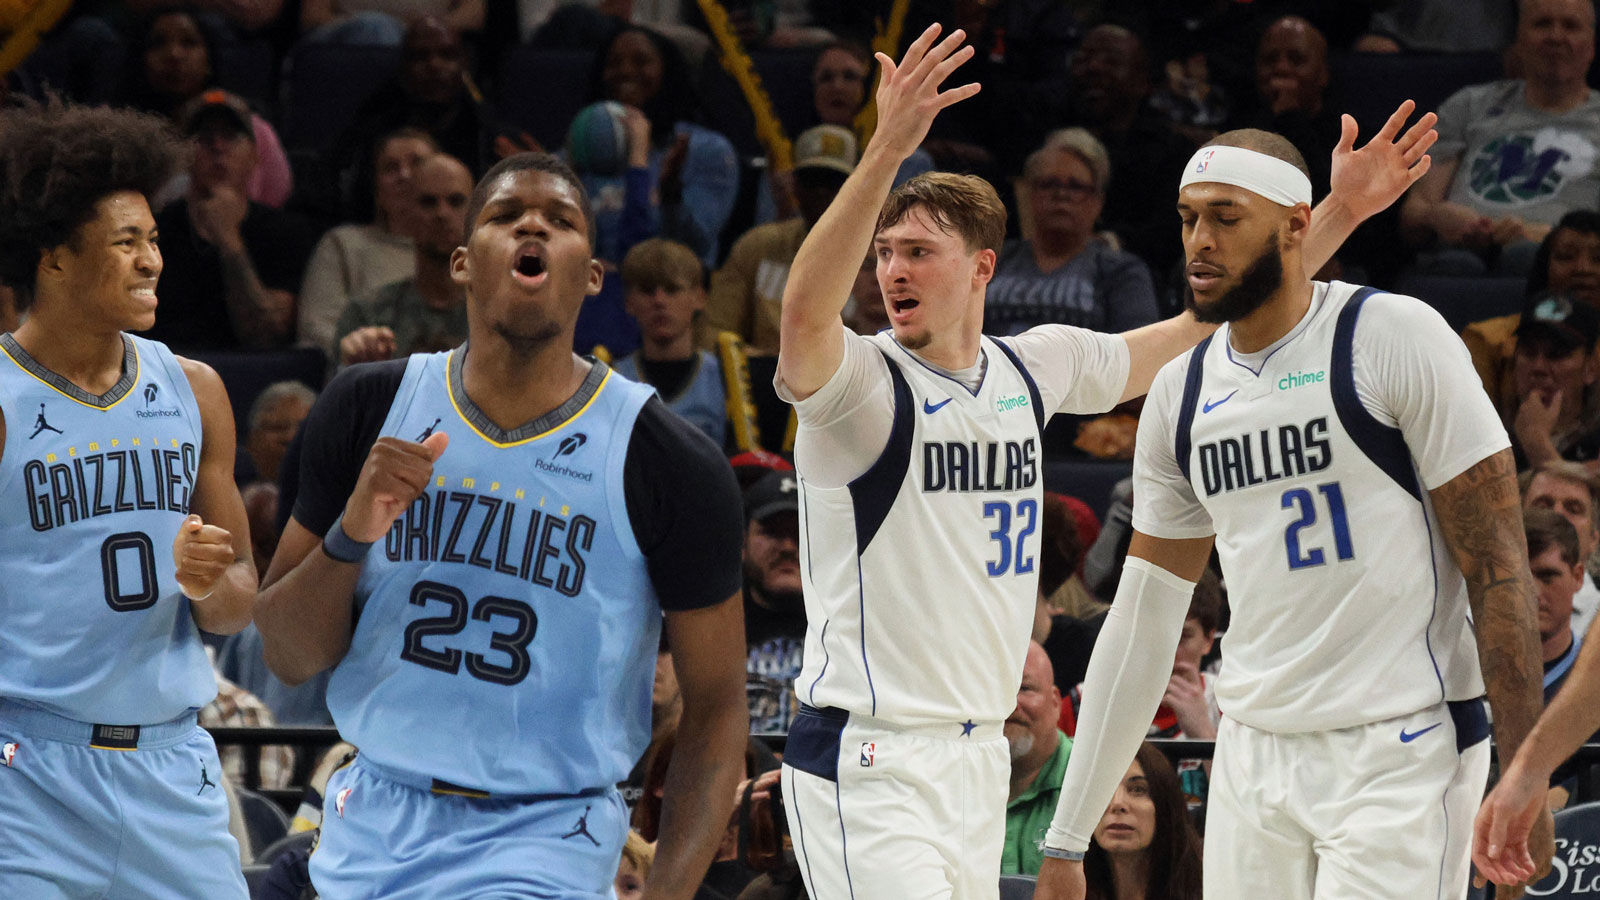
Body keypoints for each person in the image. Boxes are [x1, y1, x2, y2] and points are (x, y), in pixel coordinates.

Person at [774, 24, 1437, 900]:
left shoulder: (1031, 366)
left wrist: (1342, 211)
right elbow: (803, 319)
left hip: (978, 759)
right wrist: (887, 148)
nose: (893, 271)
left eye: (918, 253)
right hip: (870, 754)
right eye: (885, 254)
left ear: (981, 268)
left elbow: (1200, 330)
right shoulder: (860, 386)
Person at [1034, 128, 1552, 900]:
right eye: (1188, 218)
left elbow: (1499, 564)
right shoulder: (1179, 393)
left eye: (1226, 217)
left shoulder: (1391, 337)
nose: (1200, 241)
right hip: (1252, 751)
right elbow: (1142, 619)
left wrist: (1525, 775)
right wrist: (1067, 836)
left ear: (1296, 225)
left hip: (1401, 743)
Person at [250, 151, 749, 899]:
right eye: (506, 215)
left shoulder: (664, 458)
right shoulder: (367, 407)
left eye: (561, 220)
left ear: (592, 275)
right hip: (374, 820)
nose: (533, 227)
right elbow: (288, 655)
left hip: (549, 834)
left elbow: (717, 707)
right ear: (461, 262)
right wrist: (351, 533)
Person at [0, 100, 258, 898]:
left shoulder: (195, 390)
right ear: (54, 259)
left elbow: (238, 604)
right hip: (26, 773)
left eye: (153, 239)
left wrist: (208, 581)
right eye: (126, 242)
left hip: (171, 767)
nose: (152, 261)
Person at [1399, 0, 1600, 276]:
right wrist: (1435, 216)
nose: (1556, 36)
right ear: (1518, 41)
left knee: (1526, 257)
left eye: (1571, 26)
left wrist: (1552, 237)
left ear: (1592, 45)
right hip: (1458, 255)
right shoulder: (1468, 105)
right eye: (1542, 24)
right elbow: (1414, 212)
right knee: (1455, 265)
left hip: (1565, 268)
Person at [143, 89, 320, 351]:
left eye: (231, 136)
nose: (218, 147)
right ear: (184, 155)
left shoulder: (287, 231)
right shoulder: (154, 231)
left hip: (253, 371)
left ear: (254, 155)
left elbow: (267, 335)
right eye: (204, 138)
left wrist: (229, 241)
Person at [984, 128, 1160, 336]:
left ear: (1097, 201)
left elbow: (1139, 345)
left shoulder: (1122, 272)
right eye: (1049, 184)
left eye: (1075, 186)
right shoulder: (994, 260)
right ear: (1031, 194)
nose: (1061, 195)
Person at [708, 124, 858, 354]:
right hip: (762, 374)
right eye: (812, 180)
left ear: (858, 186)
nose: (821, 191)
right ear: (794, 185)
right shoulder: (758, 246)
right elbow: (713, 331)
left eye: (833, 181)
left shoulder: (883, 258)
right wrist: (762, 365)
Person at [298, 128, 438, 360]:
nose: (404, 175)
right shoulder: (343, 245)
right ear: (377, 190)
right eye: (390, 168)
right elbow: (317, 330)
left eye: (417, 164)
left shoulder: (464, 250)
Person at [335, 152, 475, 366]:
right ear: (407, 214)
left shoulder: (499, 314)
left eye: (456, 201)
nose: (442, 213)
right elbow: (336, 387)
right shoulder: (367, 316)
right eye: (428, 202)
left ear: (475, 213)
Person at [614, 237, 729, 447]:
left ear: (700, 298)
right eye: (647, 291)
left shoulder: (725, 378)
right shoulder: (614, 379)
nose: (659, 301)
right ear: (629, 302)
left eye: (672, 289)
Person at [1522, 507, 1599, 809]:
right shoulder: (1467, 681)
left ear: (1578, 576)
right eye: (1520, 576)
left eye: (1547, 576)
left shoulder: (1592, 685)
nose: (1533, 591)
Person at [1080, 744, 1204, 900]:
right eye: (1105, 789)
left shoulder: (1211, 891)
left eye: (1138, 789)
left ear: (1165, 805)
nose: (1117, 803)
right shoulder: (1064, 891)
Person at [1002, 641, 1073, 876]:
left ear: (1055, 702)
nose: (1010, 705)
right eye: (996, 689)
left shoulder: (1091, 779)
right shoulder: (948, 780)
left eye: (1024, 688)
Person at [1523, 460, 1600, 638]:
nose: (1557, 515)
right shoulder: (1472, 601)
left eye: (1573, 509)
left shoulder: (1595, 613)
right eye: (1543, 506)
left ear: (1593, 539)